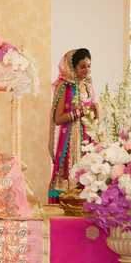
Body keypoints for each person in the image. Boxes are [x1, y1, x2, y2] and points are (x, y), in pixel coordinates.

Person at [48, 48, 97, 204]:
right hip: (70, 141)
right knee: (70, 181)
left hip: (87, 140)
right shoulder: (65, 87)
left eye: (89, 66)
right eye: (82, 66)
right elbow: (58, 118)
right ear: (73, 67)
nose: (87, 70)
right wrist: (81, 112)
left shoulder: (88, 87)